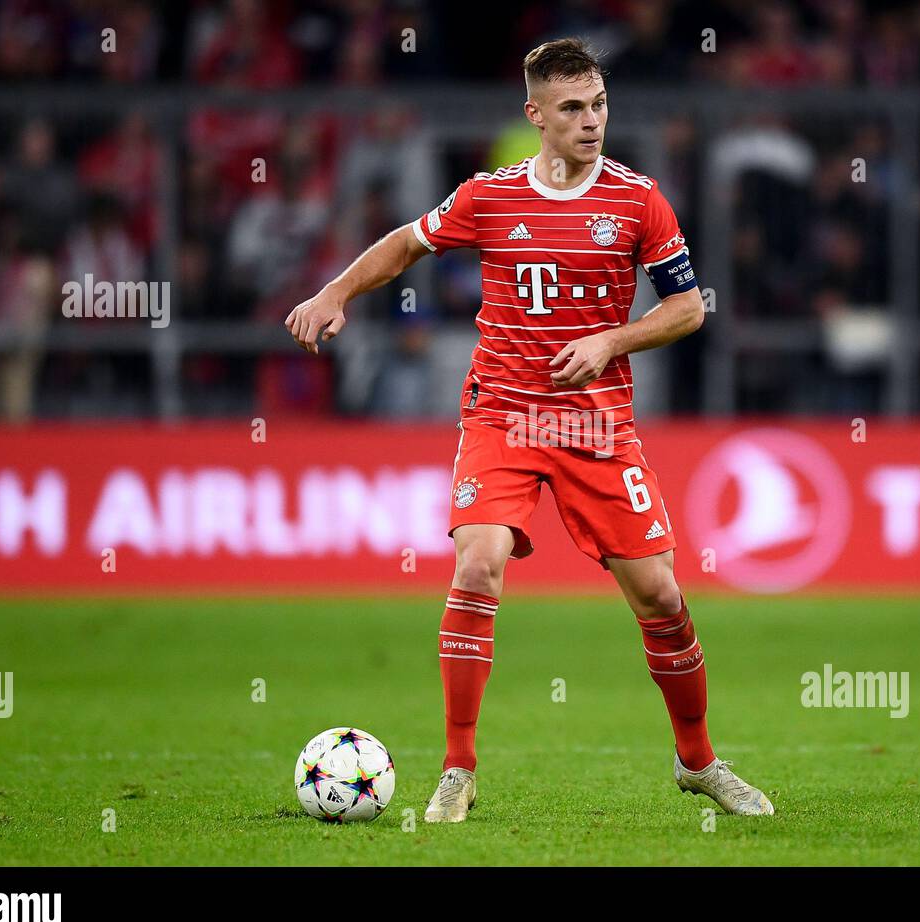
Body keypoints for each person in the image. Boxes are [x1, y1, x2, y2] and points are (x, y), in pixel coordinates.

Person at [285, 38, 772, 822]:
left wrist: (612, 341)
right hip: (503, 414)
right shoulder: (489, 196)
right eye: (573, 108)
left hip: (597, 425)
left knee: (660, 594)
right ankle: (458, 769)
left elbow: (688, 308)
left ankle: (698, 761)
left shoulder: (639, 200)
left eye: (599, 104)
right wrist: (335, 292)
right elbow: (408, 244)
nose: (591, 121)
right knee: (478, 565)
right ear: (536, 115)